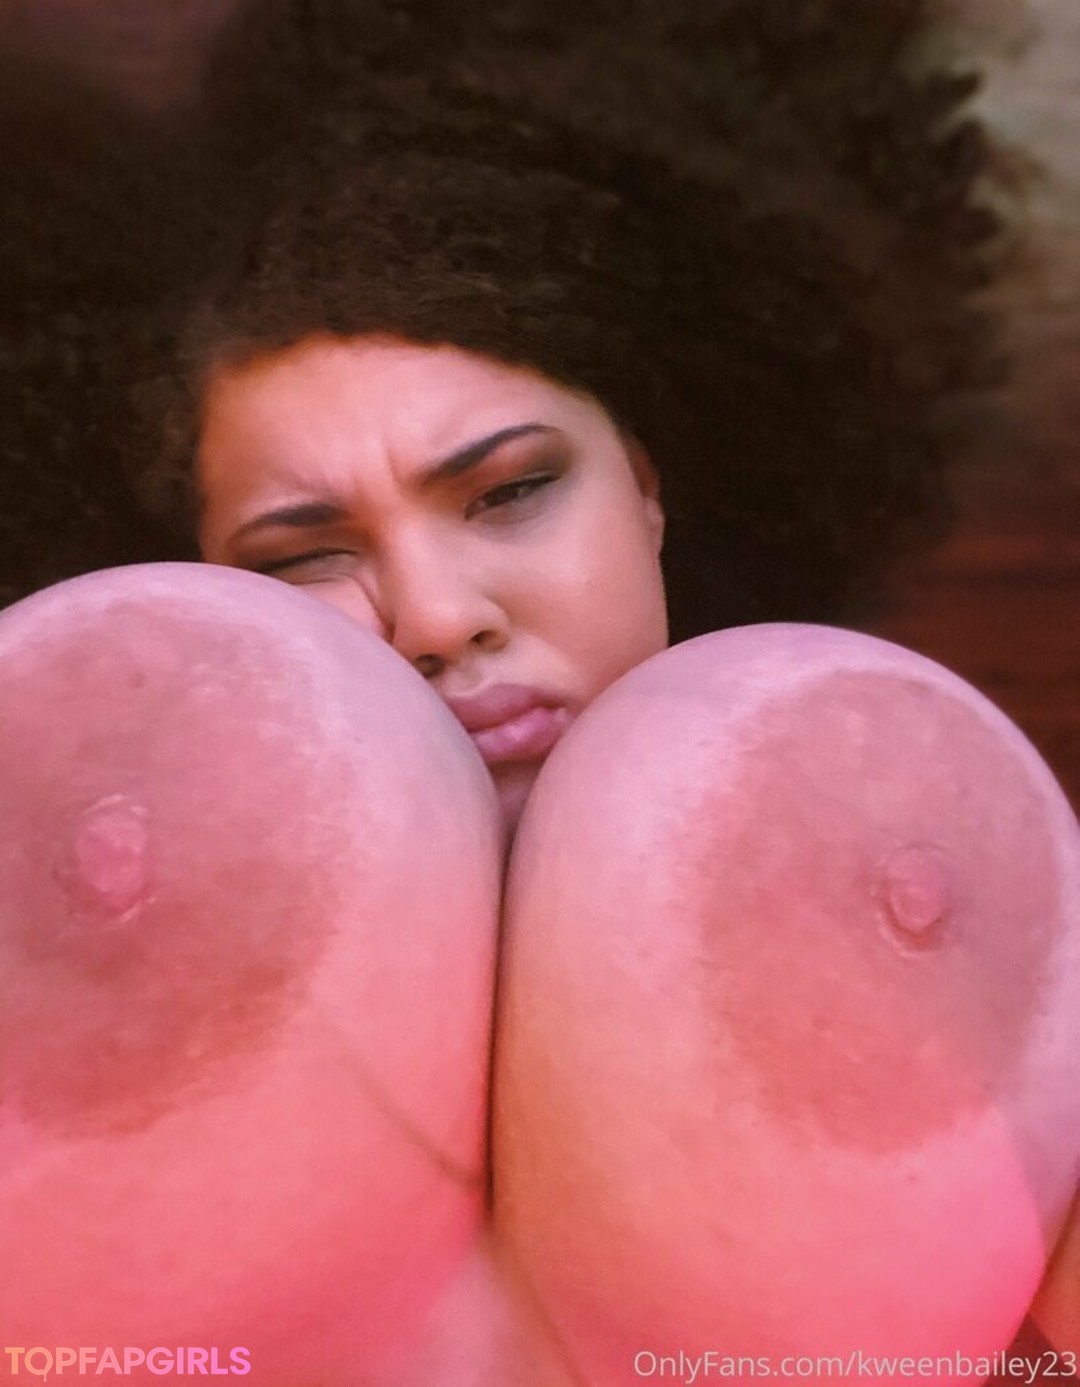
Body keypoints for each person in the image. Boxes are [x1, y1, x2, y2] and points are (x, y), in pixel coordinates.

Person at [2, 1, 1078, 1381]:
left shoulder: (962, 917)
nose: (438, 617)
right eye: (303, 556)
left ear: (648, 487)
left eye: (510, 492)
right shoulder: (57, 1036)